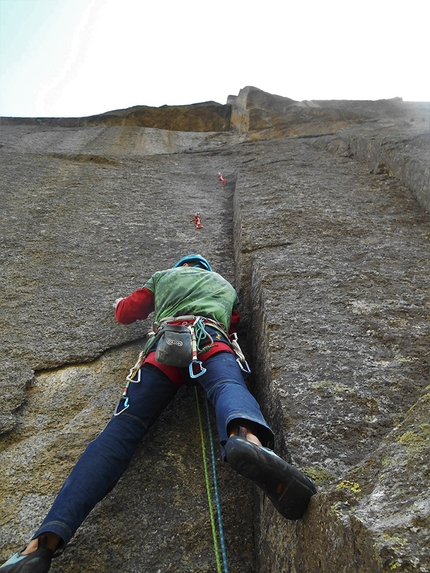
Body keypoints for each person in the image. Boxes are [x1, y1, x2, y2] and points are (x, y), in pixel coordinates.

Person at [1, 255, 316, 573]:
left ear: (182, 267)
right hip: (211, 339)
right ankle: (245, 440)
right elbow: (233, 323)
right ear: (205, 269)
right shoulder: (224, 285)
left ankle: (41, 546)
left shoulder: (164, 276)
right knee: (225, 385)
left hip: (164, 347)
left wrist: (118, 303)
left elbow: (126, 313)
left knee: (122, 429)